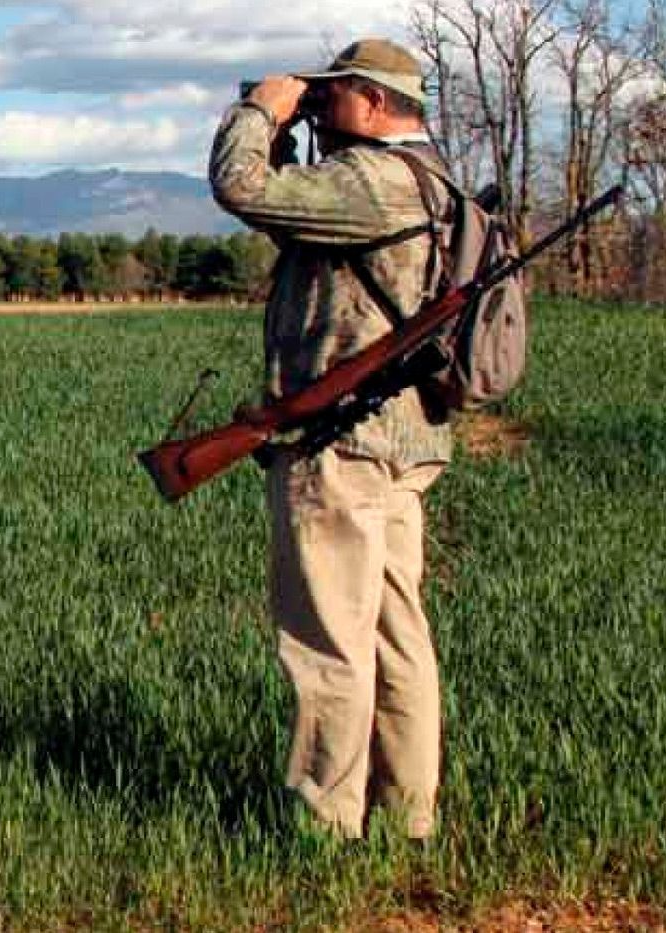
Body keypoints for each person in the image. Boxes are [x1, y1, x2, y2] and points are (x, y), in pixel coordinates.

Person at [208, 38, 454, 840]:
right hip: (403, 440)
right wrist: (292, 138)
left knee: (328, 642)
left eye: (334, 92)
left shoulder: (373, 179)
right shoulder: (431, 180)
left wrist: (259, 113)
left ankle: (324, 826)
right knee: (395, 634)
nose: (321, 102)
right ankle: (405, 816)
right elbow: (297, 223)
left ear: (376, 102)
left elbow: (241, 186)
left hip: (340, 447)